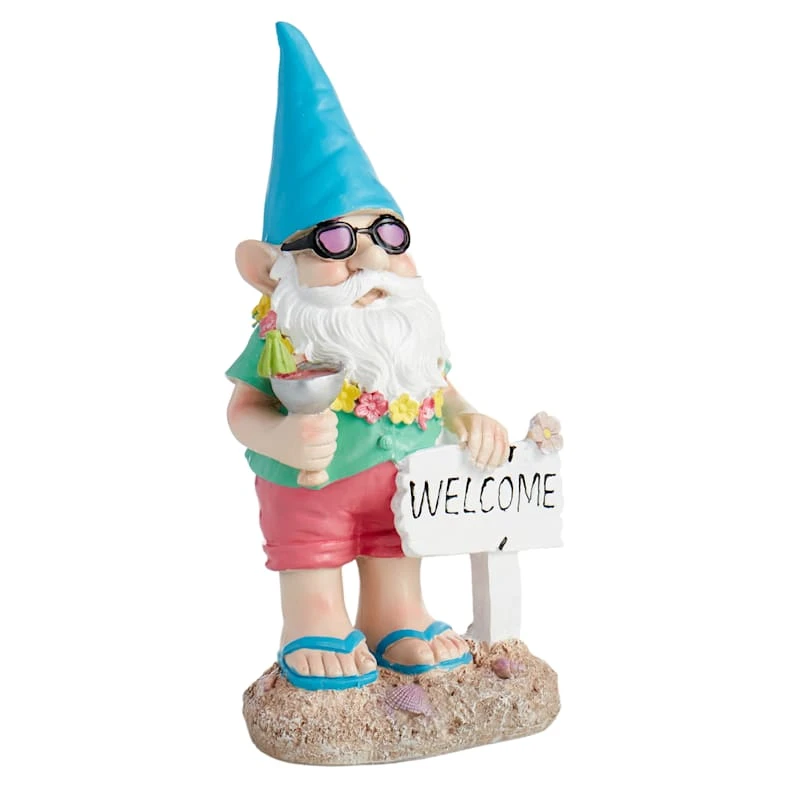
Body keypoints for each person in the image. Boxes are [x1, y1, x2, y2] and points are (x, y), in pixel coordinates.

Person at [226, 22, 509, 690]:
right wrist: (283, 438)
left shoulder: (409, 327)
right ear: (271, 271)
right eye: (333, 242)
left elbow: (439, 386)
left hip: (402, 485)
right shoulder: (283, 334)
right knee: (314, 556)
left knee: (397, 546)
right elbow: (241, 410)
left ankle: (395, 617)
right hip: (310, 487)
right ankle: (315, 623)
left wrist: (468, 417)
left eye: (387, 234)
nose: (368, 259)